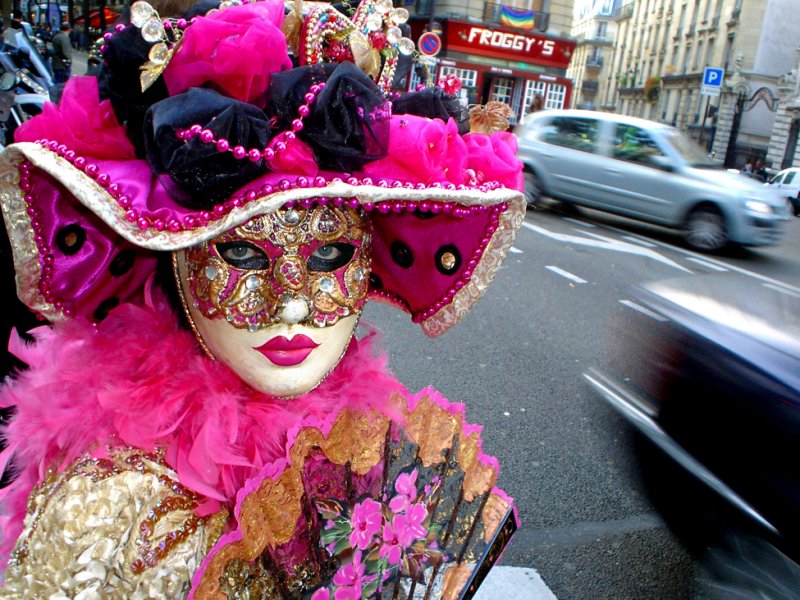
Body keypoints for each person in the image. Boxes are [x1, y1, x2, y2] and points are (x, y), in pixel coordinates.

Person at [0, 0, 525, 596]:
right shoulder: (110, 508)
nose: (294, 305)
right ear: (174, 255)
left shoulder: (366, 462)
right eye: (244, 254)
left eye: (330, 256)